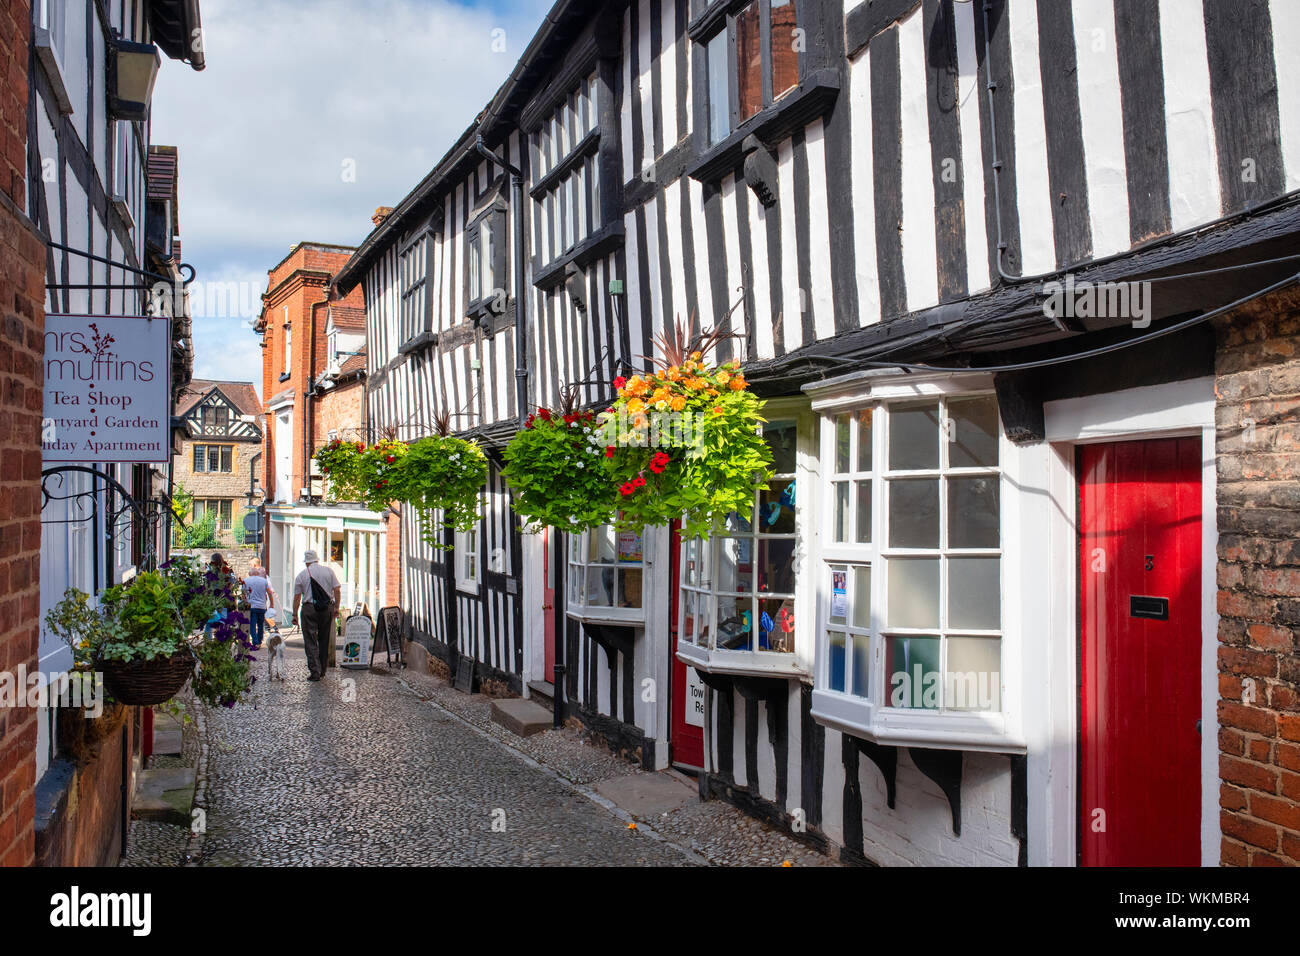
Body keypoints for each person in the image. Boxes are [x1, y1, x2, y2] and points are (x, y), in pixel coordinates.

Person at [292, 550, 340, 682]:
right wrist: (336, 607)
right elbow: (337, 589)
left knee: (310, 640)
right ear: (316, 560)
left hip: (309, 609)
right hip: (327, 608)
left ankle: (315, 671)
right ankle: (323, 669)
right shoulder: (329, 571)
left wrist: (295, 614)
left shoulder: (301, 575)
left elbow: (297, 597)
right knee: (324, 639)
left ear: (307, 562)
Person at [242, 565, 275, 649]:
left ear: (250, 574)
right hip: (261, 606)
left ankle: (255, 642)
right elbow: (269, 592)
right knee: (260, 625)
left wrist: (245, 603)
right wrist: (271, 604)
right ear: (257, 573)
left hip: (251, 606)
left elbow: (243, 595)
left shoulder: (245, 581)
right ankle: (259, 641)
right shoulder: (264, 581)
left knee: (252, 625)